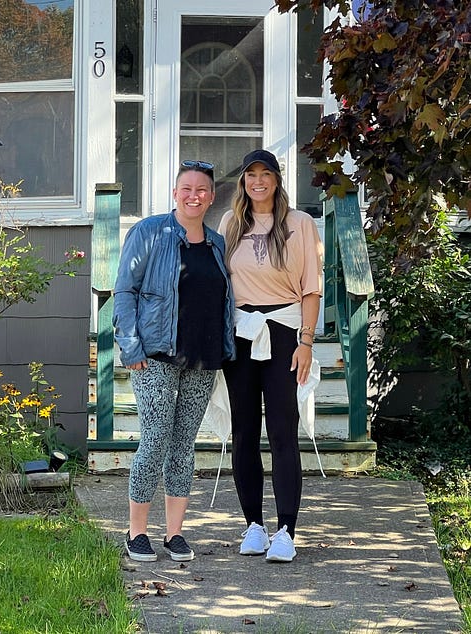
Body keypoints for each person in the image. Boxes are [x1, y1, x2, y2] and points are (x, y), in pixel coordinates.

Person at [113, 160, 235, 562]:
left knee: (184, 445)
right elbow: (125, 290)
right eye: (186, 188)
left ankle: (175, 534)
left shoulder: (217, 243)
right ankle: (136, 534)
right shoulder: (150, 232)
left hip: (202, 358)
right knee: (155, 439)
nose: (194, 195)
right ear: (175, 192)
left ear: (212, 196)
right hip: (155, 356)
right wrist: (130, 347)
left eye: (202, 189)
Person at [218, 149, 323, 563]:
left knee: (282, 430)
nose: (258, 181)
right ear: (243, 181)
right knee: (244, 431)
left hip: (284, 334)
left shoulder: (300, 224)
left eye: (266, 174)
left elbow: (311, 289)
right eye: (250, 174)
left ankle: (286, 530)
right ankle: (253, 526)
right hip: (241, 335)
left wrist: (307, 342)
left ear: (277, 180)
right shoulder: (231, 223)